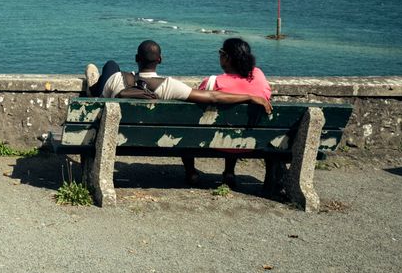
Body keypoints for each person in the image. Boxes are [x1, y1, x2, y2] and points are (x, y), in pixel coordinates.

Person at [85, 40, 272, 184]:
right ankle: (222, 172)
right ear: (160, 60)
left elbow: (98, 105)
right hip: (232, 140)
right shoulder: (171, 86)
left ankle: (92, 83)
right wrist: (248, 96)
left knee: (111, 65)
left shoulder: (116, 79)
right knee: (189, 127)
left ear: (136, 59)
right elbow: (213, 97)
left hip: (116, 135)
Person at [181, 38, 271, 187]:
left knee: (187, 125)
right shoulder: (259, 75)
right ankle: (229, 172)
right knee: (236, 126)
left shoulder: (213, 82)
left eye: (221, 53)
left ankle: (191, 173)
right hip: (252, 141)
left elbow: (195, 108)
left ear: (227, 57)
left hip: (215, 141)